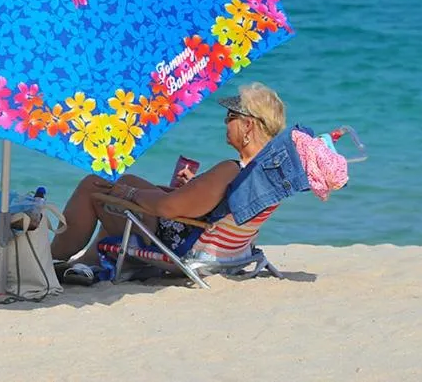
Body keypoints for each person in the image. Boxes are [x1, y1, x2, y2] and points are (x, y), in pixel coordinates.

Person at [51, 82, 290, 270]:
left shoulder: (232, 168)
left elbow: (166, 208)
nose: (225, 124)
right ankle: (86, 263)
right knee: (126, 182)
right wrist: (190, 189)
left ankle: (50, 259)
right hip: (213, 242)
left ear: (248, 125)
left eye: (230, 117)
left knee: (94, 187)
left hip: (175, 244)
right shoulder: (264, 171)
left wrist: (131, 194)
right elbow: (215, 207)